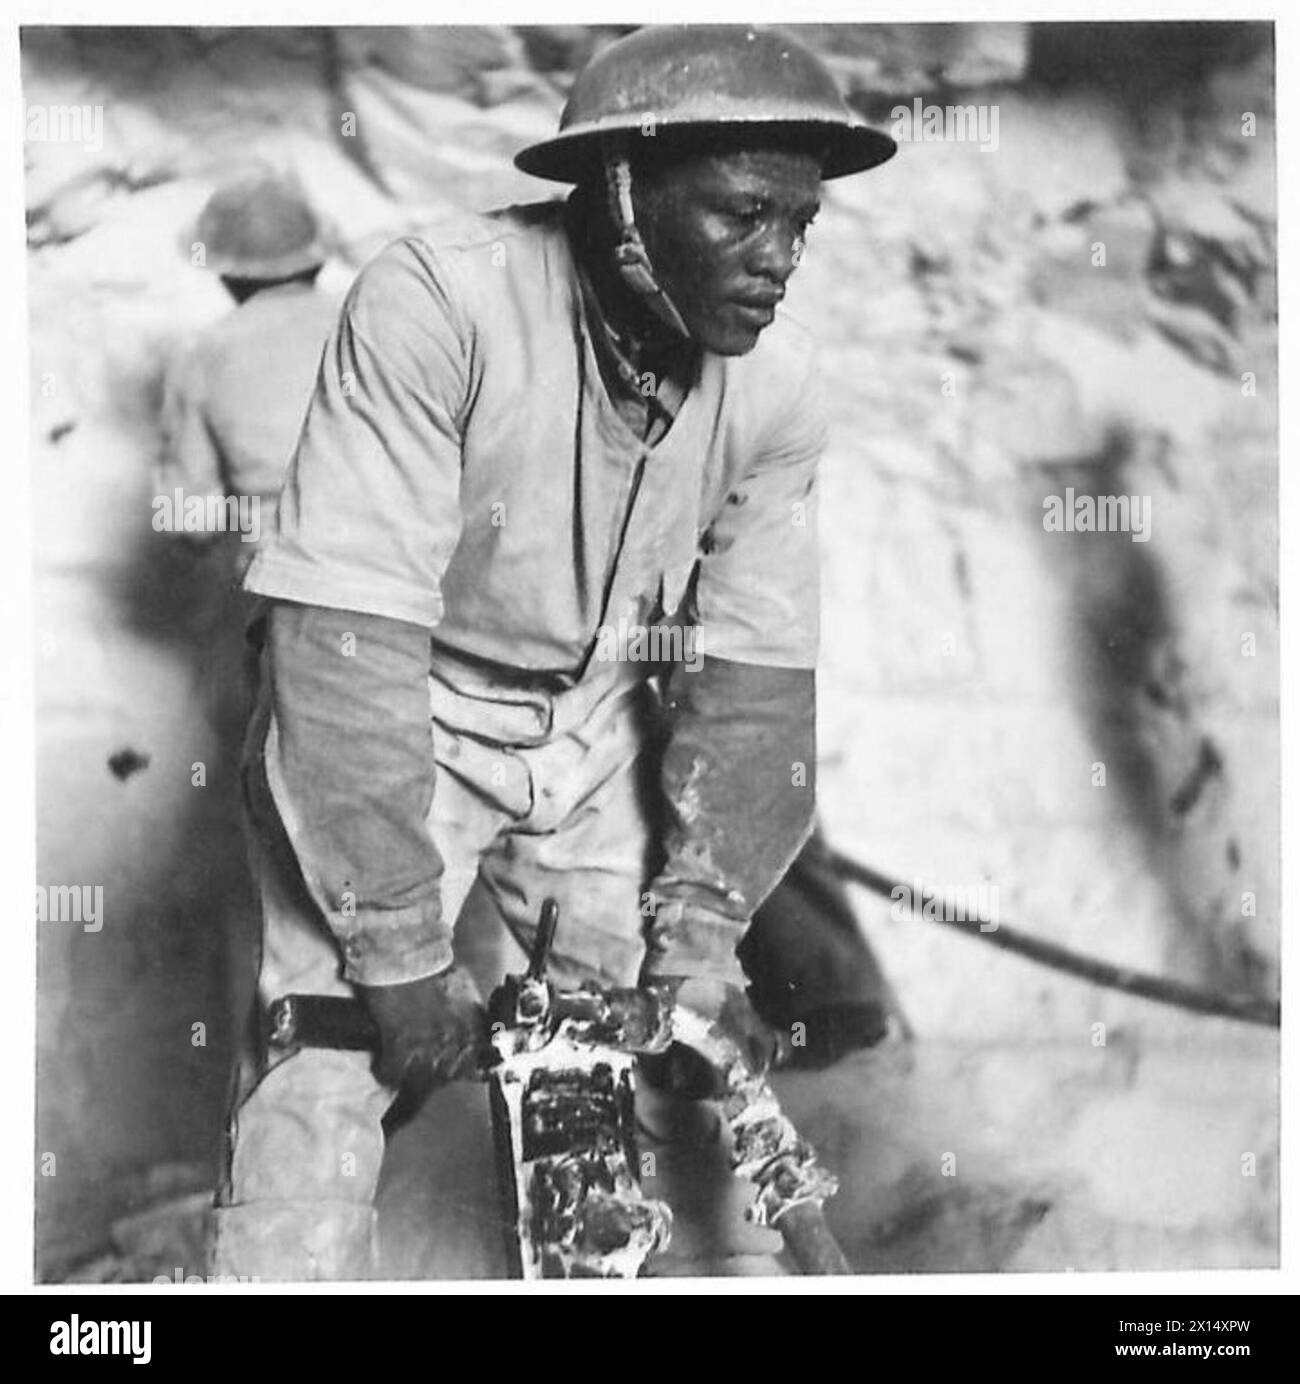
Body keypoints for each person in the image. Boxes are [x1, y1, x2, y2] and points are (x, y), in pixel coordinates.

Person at [211, 24, 897, 1279]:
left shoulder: (780, 392)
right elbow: (344, 638)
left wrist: (701, 936)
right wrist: (403, 954)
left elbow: (752, 683)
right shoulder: (441, 301)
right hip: (405, 700)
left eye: (799, 222)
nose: (779, 258)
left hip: (594, 725)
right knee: (324, 1060)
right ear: (621, 191)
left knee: (617, 1055)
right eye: (744, 214)